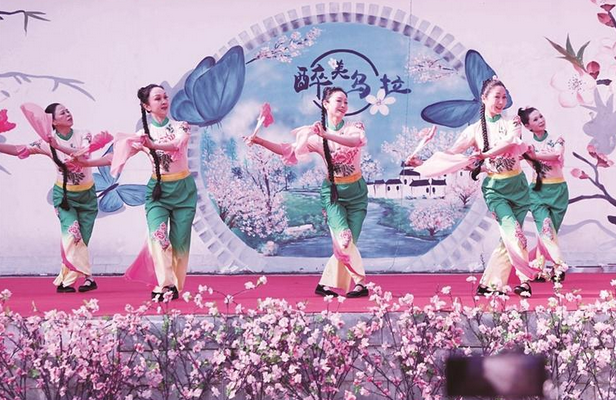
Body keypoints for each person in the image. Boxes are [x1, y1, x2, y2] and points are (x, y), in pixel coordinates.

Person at [415, 78, 540, 297]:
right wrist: (423, 151)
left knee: (509, 238)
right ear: (484, 98)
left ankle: (490, 284)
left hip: (519, 187)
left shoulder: (513, 123)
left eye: (504, 97)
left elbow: (511, 142)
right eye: (496, 97)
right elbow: (451, 154)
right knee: (515, 233)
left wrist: (484, 155)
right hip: (496, 190)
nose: (501, 102)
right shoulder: (473, 131)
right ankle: (524, 281)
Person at [245, 87, 369, 298]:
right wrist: (260, 141)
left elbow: (356, 142)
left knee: (349, 244)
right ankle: (360, 284)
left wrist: (326, 134)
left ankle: (325, 284)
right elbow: (289, 150)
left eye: (346, 102)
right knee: (344, 239)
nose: (343, 105)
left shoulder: (353, 128)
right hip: (334, 194)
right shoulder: (314, 136)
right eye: (338, 101)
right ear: (325, 104)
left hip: (357, 192)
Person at [0, 103, 111, 293]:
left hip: (87, 195)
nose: (68, 113)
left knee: (82, 240)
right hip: (64, 196)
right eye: (62, 112)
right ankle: (88, 278)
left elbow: (83, 154)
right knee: (73, 234)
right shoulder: (46, 143)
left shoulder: (83, 134)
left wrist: (58, 146)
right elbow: (19, 149)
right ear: (53, 121)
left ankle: (65, 280)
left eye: (68, 110)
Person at [119, 84, 196, 302]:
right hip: (158, 192)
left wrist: (152, 145)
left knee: (180, 242)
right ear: (146, 106)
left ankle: (175, 285)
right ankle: (165, 284)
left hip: (184, 190)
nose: (163, 101)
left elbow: (177, 144)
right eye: (157, 98)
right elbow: (118, 157)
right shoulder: (142, 135)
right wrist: (85, 161)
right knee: (159, 236)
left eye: (165, 97)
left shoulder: (181, 126)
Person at [518, 106, 568, 282]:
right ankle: (559, 266)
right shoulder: (525, 146)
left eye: (540, 116)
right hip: (537, 192)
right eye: (535, 119)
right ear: (527, 126)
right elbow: (511, 157)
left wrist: (534, 156)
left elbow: (556, 155)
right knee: (545, 229)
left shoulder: (556, 138)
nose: (541, 120)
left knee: (549, 232)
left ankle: (539, 268)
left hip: (558, 191)